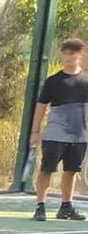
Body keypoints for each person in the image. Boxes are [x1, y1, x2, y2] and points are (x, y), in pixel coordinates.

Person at [31, 38, 87, 221]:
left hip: (79, 135)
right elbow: (41, 106)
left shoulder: (86, 80)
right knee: (47, 169)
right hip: (55, 134)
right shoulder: (53, 81)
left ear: (80, 55)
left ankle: (66, 207)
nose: (68, 57)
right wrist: (35, 132)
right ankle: (40, 206)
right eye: (65, 53)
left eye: (72, 53)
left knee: (71, 171)